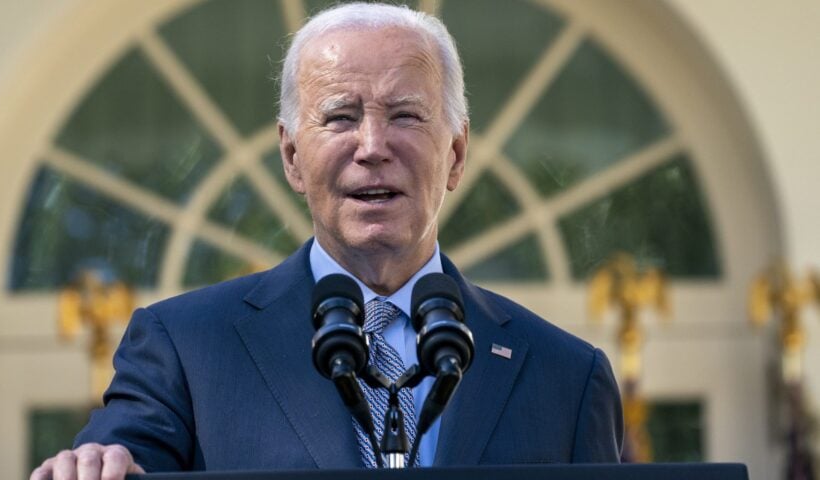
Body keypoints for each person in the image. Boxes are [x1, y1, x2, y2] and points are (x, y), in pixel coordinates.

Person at [31, 3, 622, 479]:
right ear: (291, 157)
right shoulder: (185, 349)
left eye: (406, 116)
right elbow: (119, 457)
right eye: (340, 116)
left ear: (456, 155)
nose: (372, 145)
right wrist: (93, 466)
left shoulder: (566, 377)